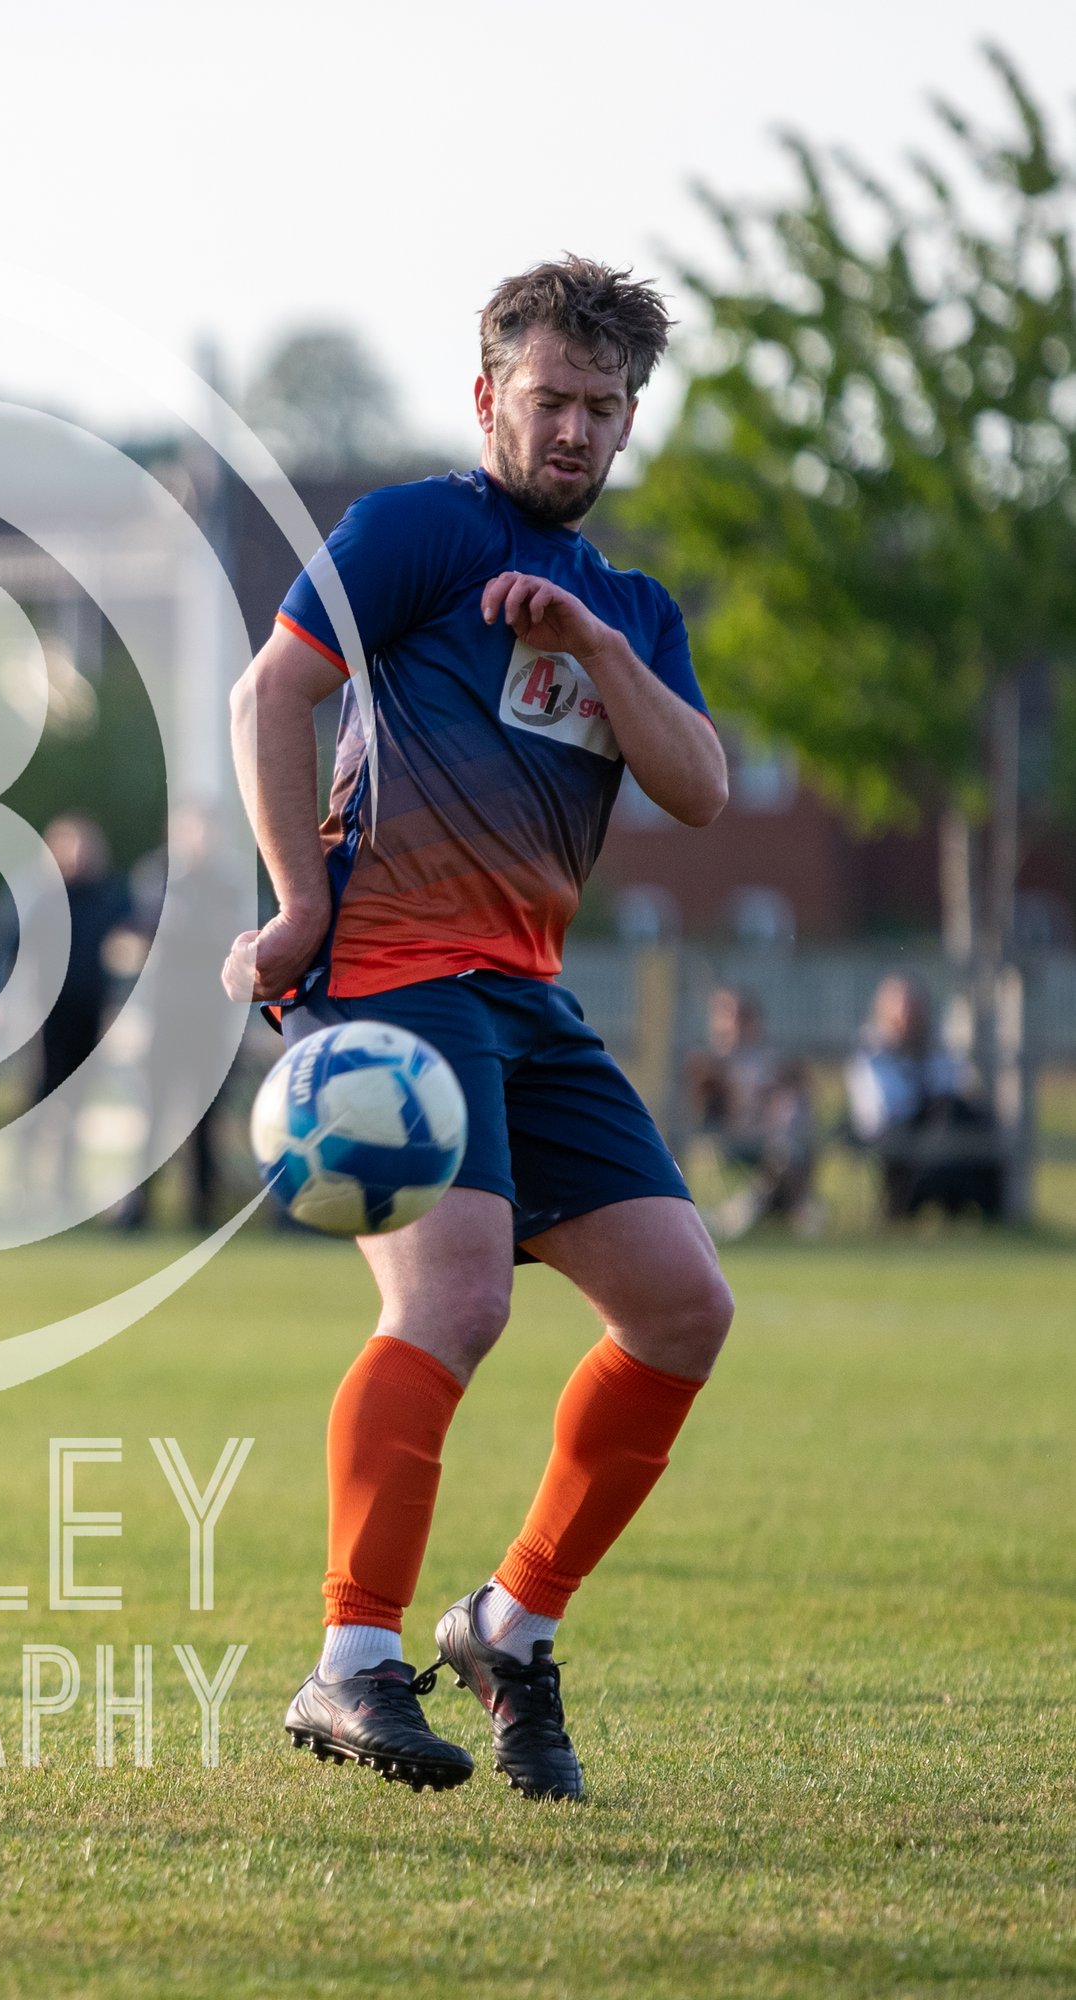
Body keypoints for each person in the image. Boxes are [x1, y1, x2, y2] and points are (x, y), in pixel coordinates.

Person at [227, 258, 735, 1801]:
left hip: (526, 998)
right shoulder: (416, 532)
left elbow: (702, 789)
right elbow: (271, 697)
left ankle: (509, 1627)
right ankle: (352, 1658)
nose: (574, 429)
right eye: (550, 398)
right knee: (455, 1298)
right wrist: (297, 906)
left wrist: (600, 650)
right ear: (487, 397)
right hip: (391, 975)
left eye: (603, 407)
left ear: (630, 420)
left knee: (683, 1310)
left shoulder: (630, 611)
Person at [0, 814, 134, 1214]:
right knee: (38, 1097)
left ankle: (63, 1186)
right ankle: (20, 1182)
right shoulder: (37, 893)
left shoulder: (106, 896)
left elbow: (133, 935)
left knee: (75, 1103)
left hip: (88, 1010)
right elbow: (4, 945)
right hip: (42, 1012)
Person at [116, 803, 252, 1231]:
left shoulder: (231, 881)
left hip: (211, 1017)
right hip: (165, 1015)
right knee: (153, 1113)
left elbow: (236, 938)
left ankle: (202, 1211)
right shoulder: (157, 875)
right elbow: (151, 932)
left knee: (207, 1117)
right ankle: (137, 1209)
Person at [845, 972, 1002, 1221]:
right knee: (950, 1121)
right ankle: (915, 1199)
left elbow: (959, 1083)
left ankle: (986, 1207)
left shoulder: (931, 1048)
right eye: (904, 1010)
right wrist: (930, 1099)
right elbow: (884, 1106)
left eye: (916, 1010)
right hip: (891, 1133)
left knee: (971, 1119)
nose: (910, 1019)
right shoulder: (871, 1051)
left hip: (934, 1131)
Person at [683, 985, 819, 1237]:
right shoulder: (707, 1063)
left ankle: (752, 1208)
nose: (737, 1023)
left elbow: (796, 1090)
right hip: (730, 1139)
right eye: (729, 1015)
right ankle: (788, 1208)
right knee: (785, 1151)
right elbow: (698, 1107)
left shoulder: (771, 1060)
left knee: (791, 1142)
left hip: (772, 1135)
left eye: (743, 1015)